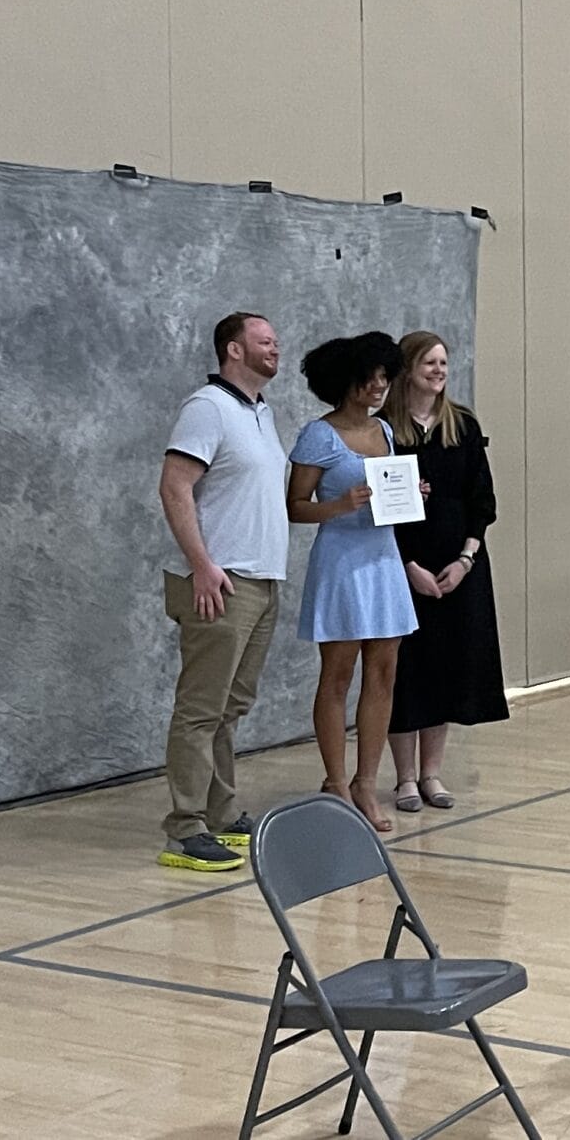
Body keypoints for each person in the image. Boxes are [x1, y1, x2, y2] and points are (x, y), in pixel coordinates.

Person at [155, 313, 289, 872]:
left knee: (230, 707)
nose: (275, 347)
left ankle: (221, 811)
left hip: (260, 581)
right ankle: (185, 829)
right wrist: (202, 566)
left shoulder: (259, 412)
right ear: (234, 349)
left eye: (275, 341)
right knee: (201, 708)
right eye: (264, 340)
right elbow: (174, 486)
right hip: (221, 582)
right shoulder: (207, 408)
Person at [288, 332, 418, 833]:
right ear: (347, 381)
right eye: (371, 378)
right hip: (341, 561)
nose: (380, 386)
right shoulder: (318, 435)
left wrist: (410, 493)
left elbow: (389, 492)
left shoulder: (384, 430)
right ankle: (337, 782)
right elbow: (295, 506)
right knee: (338, 674)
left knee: (383, 672)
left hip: (383, 558)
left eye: (386, 376)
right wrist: (340, 505)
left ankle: (367, 781)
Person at [379, 331, 509, 813]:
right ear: (408, 369)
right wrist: (408, 565)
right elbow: (383, 508)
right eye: (429, 363)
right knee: (407, 671)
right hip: (404, 566)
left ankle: (432, 773)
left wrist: (466, 559)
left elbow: (483, 500)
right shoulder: (385, 430)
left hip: (459, 567)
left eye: (443, 363)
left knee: (447, 668)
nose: (438, 371)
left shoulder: (463, 425)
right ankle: (404, 778)